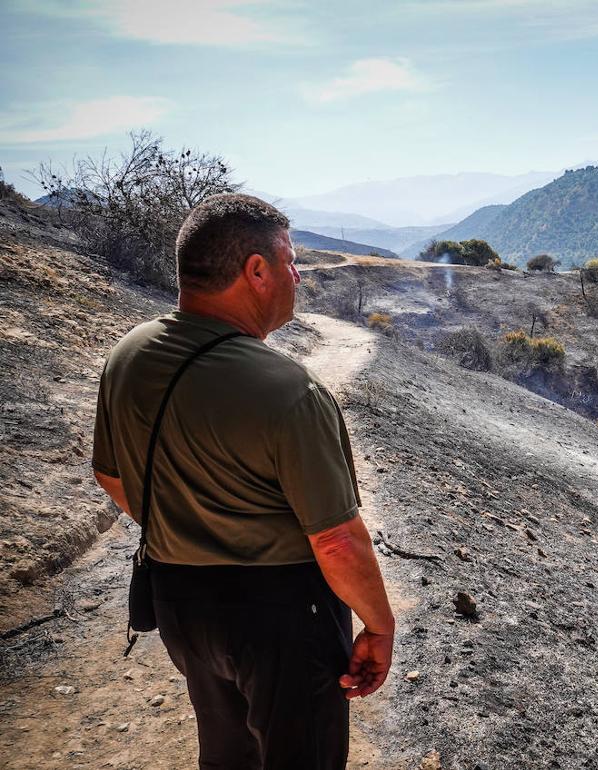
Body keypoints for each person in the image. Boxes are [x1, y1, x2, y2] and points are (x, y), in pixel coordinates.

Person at [91, 193, 394, 769]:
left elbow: (110, 474)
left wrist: (190, 527)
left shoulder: (128, 356)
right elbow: (335, 540)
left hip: (180, 603)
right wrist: (379, 625)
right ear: (256, 271)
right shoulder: (288, 390)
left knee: (228, 757)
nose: (297, 274)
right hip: (279, 618)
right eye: (290, 260)